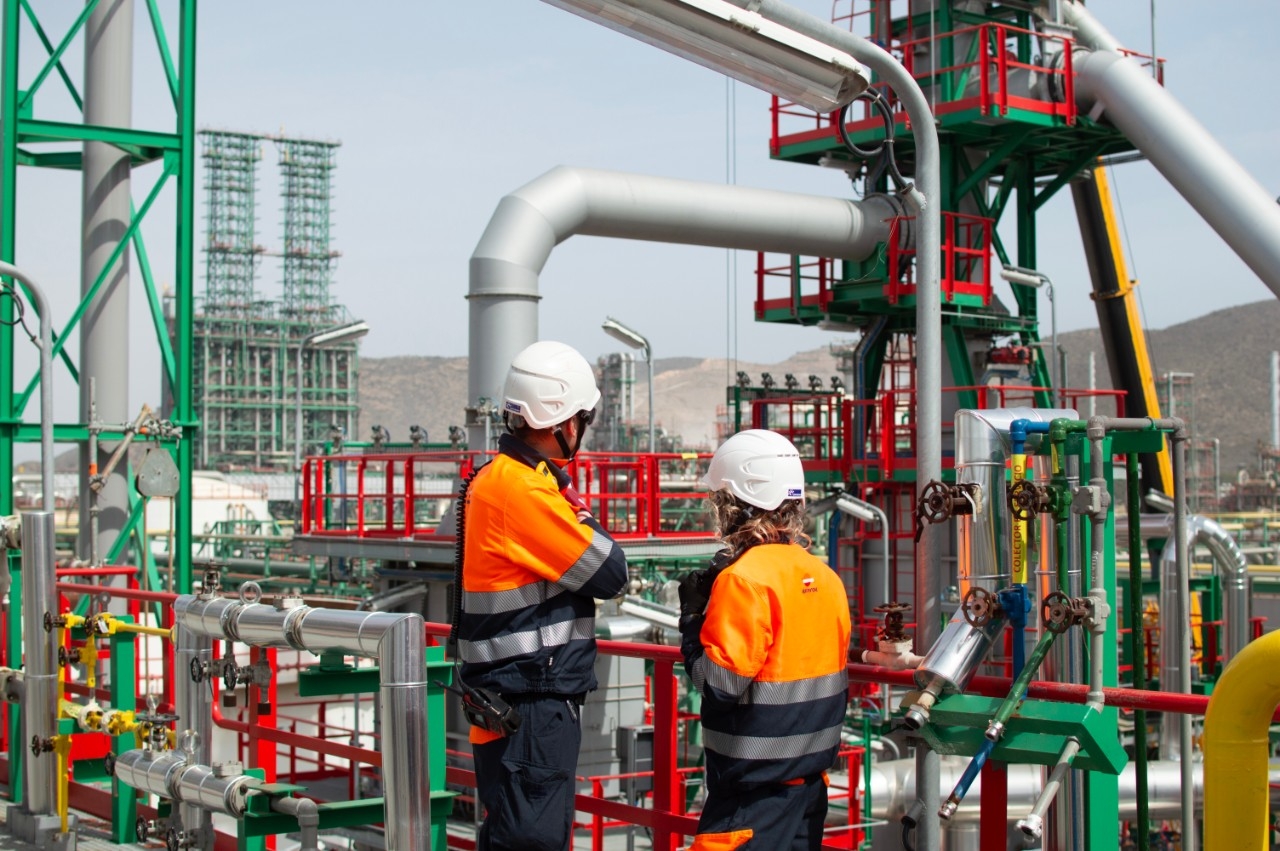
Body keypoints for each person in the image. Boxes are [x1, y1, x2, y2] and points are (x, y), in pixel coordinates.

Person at [455, 340, 629, 851]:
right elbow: (611, 572)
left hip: (512, 700)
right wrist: (582, 513)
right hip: (530, 704)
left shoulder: (502, 479)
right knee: (532, 840)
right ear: (565, 423)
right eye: (581, 419)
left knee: (517, 833)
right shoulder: (524, 492)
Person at [678, 429, 852, 851]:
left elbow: (717, 685)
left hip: (751, 797)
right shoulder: (826, 578)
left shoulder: (744, 580)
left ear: (735, 506)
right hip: (809, 791)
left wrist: (691, 622)